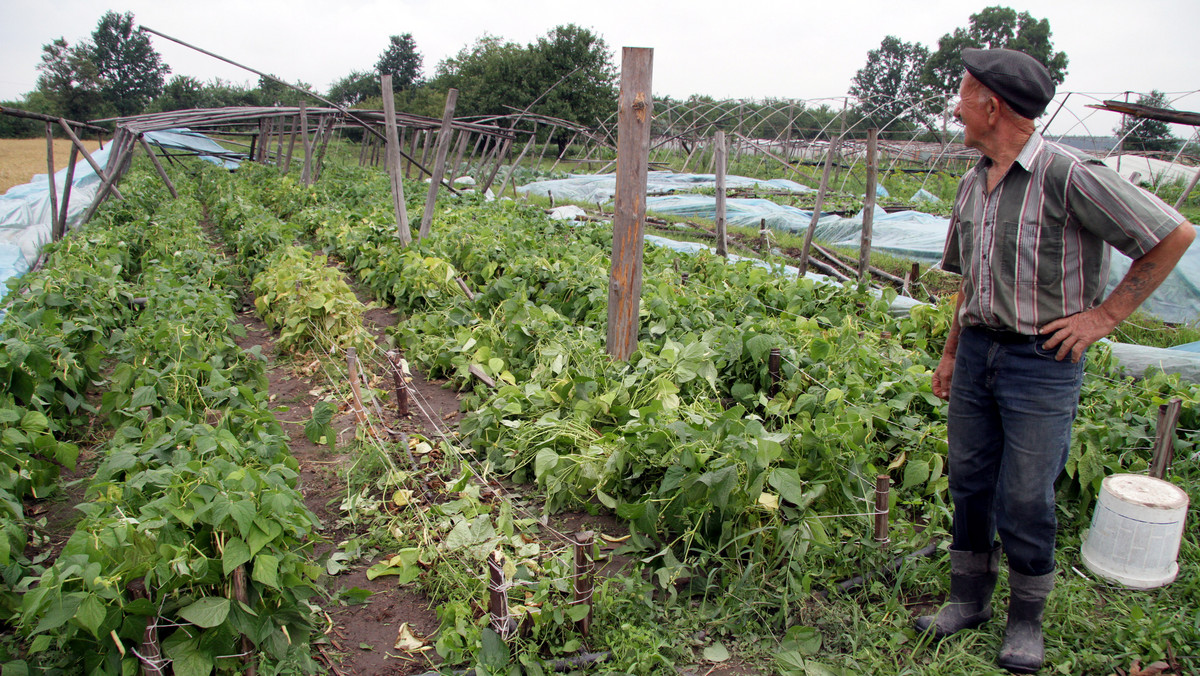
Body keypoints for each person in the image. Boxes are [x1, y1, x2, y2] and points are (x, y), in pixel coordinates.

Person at [915, 47, 1195, 674]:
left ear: (992, 104)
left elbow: (1172, 234)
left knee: (1025, 494)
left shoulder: (1068, 174)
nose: (954, 103)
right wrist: (953, 351)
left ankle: (1026, 618)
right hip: (980, 350)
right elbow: (971, 282)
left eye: (962, 91)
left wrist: (1103, 318)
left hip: (1041, 361)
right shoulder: (973, 180)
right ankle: (968, 599)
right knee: (970, 480)